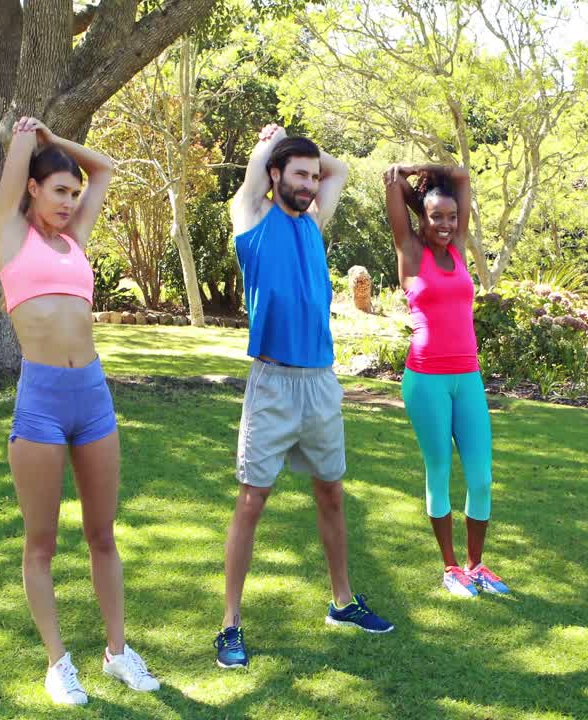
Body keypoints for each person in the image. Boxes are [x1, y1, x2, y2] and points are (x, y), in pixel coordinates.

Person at [0, 116, 159, 705]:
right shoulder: (10, 234)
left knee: (103, 535)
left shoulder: (74, 240)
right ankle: (58, 663)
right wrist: (27, 143)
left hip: (93, 396)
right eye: (58, 190)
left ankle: (117, 653)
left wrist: (57, 142)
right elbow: (13, 180)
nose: (68, 201)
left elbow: (104, 167)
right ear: (32, 190)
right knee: (41, 543)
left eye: (72, 194)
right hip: (40, 401)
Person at [214, 123, 395, 670]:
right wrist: (268, 146)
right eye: (299, 173)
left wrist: (305, 148)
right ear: (274, 175)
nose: (312, 183)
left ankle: (342, 602)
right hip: (273, 384)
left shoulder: (313, 223)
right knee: (252, 502)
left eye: (312, 176)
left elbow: (338, 170)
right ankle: (230, 625)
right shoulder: (253, 218)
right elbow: (250, 183)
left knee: (331, 494)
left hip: (320, 382)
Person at [383, 164, 509, 599]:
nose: (446, 224)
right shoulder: (410, 250)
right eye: (436, 216)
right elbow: (393, 191)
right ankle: (451, 567)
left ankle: (477, 565)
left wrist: (426, 170)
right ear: (422, 217)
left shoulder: (456, 246)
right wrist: (403, 180)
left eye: (452, 217)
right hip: (426, 379)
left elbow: (462, 176)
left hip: (467, 376)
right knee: (439, 471)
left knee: (480, 475)